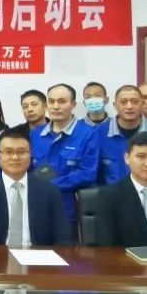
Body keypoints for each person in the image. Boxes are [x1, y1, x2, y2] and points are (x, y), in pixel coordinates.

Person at [0, 129, 71, 246]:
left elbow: (63, 238)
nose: (15, 157)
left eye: (21, 152)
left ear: (30, 154)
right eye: (8, 152)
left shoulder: (49, 192)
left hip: (39, 255)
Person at [31, 83, 100, 224]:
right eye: (51, 102)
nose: (56, 106)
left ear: (73, 104)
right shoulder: (35, 134)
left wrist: (50, 186)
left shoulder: (88, 134)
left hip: (71, 211)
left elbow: (87, 173)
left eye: (62, 101)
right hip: (38, 208)